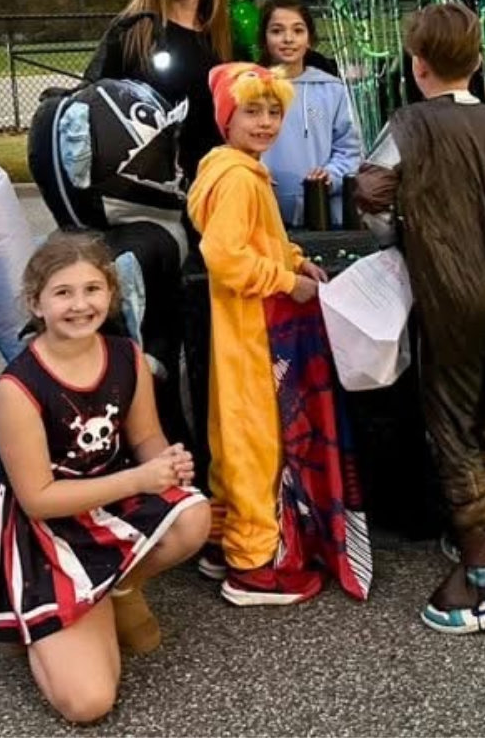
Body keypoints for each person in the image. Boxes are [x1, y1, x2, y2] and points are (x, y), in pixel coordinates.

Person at [353, 2, 485, 635]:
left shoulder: (409, 123)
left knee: (453, 433)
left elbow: (372, 190)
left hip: (452, 297)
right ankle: (477, 533)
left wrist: (399, 237)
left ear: (417, 64)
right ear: (476, 62)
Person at [0, 233, 210, 724]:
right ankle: (46, 622)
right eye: (63, 292)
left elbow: (146, 436)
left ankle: (113, 589)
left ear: (110, 295)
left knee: (193, 515)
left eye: (92, 289)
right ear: (35, 302)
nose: (80, 304)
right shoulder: (17, 388)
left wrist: (166, 462)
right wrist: (142, 479)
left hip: (105, 495)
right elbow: (39, 499)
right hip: (43, 531)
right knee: (88, 704)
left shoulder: (126, 356)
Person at [187, 63, 372, 607]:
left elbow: (259, 239)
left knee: (234, 439)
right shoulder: (241, 178)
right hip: (253, 334)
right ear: (228, 117)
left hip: (243, 332)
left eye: (273, 112)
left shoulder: (238, 169)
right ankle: (253, 566)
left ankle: (223, 539)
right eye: (253, 111)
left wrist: (295, 259)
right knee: (257, 444)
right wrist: (285, 281)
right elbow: (224, 257)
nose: (266, 123)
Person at [85, 0, 233, 187]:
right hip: (148, 190)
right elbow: (92, 102)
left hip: (214, 186)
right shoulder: (132, 32)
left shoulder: (224, 37)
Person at [258, 0, 363, 227]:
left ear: (310, 40)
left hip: (325, 216)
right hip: (264, 214)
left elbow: (350, 149)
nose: (288, 39)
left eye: (298, 30)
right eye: (277, 31)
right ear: (264, 39)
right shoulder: (249, 88)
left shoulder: (332, 90)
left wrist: (331, 176)